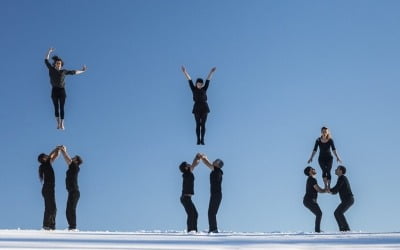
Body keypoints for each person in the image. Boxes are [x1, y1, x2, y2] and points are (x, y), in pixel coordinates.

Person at [45, 48, 87, 130]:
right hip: (54, 90)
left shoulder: (64, 71)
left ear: (61, 64)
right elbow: (46, 60)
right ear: (55, 64)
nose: (59, 64)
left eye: (60, 63)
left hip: (62, 91)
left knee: (62, 108)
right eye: (57, 63)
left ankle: (62, 123)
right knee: (56, 107)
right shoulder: (51, 69)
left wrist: (82, 71)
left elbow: (74, 72)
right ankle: (58, 123)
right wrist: (49, 51)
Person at [181, 66, 217, 145]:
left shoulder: (204, 89)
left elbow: (208, 80)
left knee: (203, 124)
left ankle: (202, 139)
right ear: (196, 84)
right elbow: (189, 80)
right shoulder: (193, 89)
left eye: (201, 84)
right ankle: (198, 139)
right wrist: (185, 72)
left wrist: (211, 72)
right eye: (198, 84)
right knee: (198, 124)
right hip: (197, 107)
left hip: (204, 107)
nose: (200, 85)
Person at [59, 146, 83, 231]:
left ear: (76, 161)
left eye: (74, 158)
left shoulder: (75, 167)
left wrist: (63, 150)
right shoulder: (72, 167)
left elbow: (67, 158)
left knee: (71, 209)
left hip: (74, 192)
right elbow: (68, 160)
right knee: (68, 210)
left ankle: (73, 227)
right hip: (71, 192)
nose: (72, 158)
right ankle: (71, 226)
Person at [200, 154, 224, 233]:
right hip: (216, 194)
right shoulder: (217, 170)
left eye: (216, 161)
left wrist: (203, 158)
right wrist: (205, 157)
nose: (213, 161)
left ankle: (213, 229)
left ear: (217, 165)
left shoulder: (216, 170)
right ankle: (213, 228)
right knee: (212, 212)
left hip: (216, 194)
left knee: (211, 212)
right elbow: (209, 164)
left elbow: (208, 164)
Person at [38, 147, 60, 230]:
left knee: (49, 207)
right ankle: (49, 225)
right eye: (46, 156)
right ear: (43, 158)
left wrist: (59, 150)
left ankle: (48, 225)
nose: (47, 156)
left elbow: (55, 155)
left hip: (48, 189)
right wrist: (56, 148)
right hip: (48, 189)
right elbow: (51, 155)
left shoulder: (47, 164)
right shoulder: (45, 164)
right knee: (52, 208)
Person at [179, 154, 201, 233]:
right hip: (185, 198)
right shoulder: (187, 174)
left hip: (187, 198)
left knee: (194, 214)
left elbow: (195, 164)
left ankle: (193, 230)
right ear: (186, 168)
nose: (189, 164)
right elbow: (194, 164)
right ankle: (191, 231)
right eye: (187, 164)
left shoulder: (188, 172)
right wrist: (197, 157)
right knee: (192, 214)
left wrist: (198, 158)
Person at [330, 165, 354, 232]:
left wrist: (329, 190)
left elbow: (336, 189)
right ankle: (342, 229)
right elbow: (336, 191)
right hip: (347, 200)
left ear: (340, 171)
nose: (335, 170)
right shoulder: (341, 178)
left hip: (348, 199)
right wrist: (330, 190)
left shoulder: (342, 178)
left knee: (339, 212)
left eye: (337, 169)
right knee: (337, 213)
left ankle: (346, 229)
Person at [303, 166, 326, 233]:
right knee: (319, 213)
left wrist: (325, 189)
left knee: (319, 213)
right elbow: (319, 190)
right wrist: (326, 189)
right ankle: (317, 230)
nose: (314, 169)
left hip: (309, 200)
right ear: (310, 172)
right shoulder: (312, 179)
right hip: (309, 200)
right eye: (312, 169)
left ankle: (317, 230)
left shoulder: (311, 179)